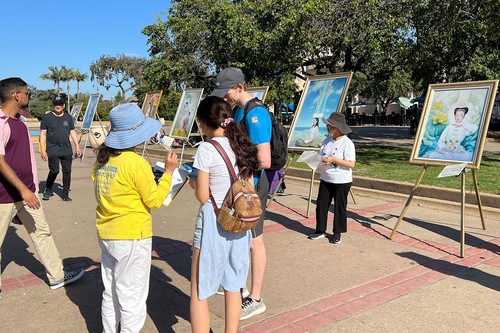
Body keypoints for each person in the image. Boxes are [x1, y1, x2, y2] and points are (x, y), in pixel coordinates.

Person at [92, 103, 178, 333]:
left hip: (108, 232)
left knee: (110, 293)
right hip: (132, 235)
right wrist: (168, 173)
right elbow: (155, 200)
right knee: (132, 298)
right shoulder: (136, 163)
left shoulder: (102, 159)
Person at [0, 77, 84, 296]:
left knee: (42, 232)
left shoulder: (21, 121)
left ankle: (56, 276)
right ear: (16, 95)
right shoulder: (0, 123)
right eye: (26, 93)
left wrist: (30, 188)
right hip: (5, 195)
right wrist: (23, 189)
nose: (29, 96)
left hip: (27, 192)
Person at [189, 96, 260, 332]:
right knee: (234, 284)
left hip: (214, 221)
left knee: (200, 288)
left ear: (205, 123)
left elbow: (202, 195)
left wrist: (191, 181)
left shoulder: (207, 149)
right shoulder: (241, 145)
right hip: (240, 224)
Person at [211, 67, 271, 320]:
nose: (225, 98)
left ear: (240, 87)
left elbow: (265, 159)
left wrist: (239, 162)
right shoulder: (237, 111)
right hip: (241, 184)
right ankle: (238, 284)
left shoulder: (256, 113)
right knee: (241, 239)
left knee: (255, 242)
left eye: (227, 93)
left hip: (253, 186)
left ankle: (255, 298)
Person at [308, 112, 356, 244]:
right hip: (326, 178)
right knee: (322, 205)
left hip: (342, 180)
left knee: (339, 206)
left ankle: (337, 232)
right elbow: (321, 154)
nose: (327, 126)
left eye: (330, 124)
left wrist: (334, 159)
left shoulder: (347, 143)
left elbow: (351, 163)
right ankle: (320, 229)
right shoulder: (326, 141)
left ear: (338, 127)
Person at [40, 95, 82, 202]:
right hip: (53, 148)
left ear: (63, 105)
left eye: (60, 104)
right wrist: (42, 150)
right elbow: (43, 134)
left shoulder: (68, 117)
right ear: (53, 105)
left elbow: (72, 131)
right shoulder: (47, 117)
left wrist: (77, 146)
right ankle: (48, 189)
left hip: (66, 149)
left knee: (67, 171)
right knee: (54, 170)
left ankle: (65, 194)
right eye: (55, 104)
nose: (58, 106)